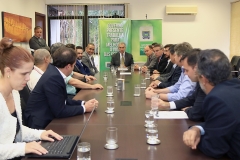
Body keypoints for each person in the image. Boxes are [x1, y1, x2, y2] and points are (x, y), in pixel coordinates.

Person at [0, 37, 62, 159]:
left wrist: (40, 133)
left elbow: (14, 131)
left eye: (30, 72)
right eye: (24, 74)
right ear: (8, 71)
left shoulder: (15, 93)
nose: (28, 78)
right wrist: (23, 148)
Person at [183, 49, 240, 159]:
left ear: (203, 79)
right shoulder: (236, 85)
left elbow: (214, 148)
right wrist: (197, 129)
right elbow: (223, 123)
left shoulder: (216, 98)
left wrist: (195, 139)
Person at [25, 46, 99, 129]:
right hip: (41, 123)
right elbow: (60, 111)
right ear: (68, 66)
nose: (73, 69)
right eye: (74, 65)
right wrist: (84, 108)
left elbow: (62, 101)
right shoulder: (53, 78)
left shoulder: (54, 72)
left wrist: (83, 103)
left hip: (48, 117)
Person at [157, 49, 206, 121]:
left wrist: (187, 109)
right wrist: (167, 105)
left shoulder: (207, 83)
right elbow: (191, 99)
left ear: (196, 69)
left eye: (187, 70)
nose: (185, 74)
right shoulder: (200, 82)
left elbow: (195, 114)